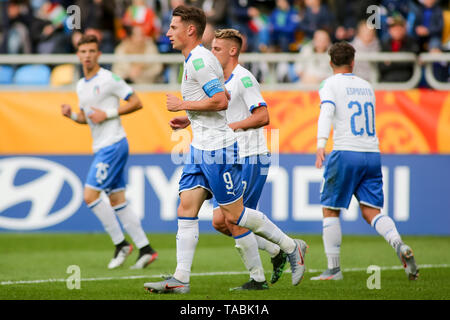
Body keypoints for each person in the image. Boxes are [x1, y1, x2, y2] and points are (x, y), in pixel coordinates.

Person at [143, 5, 307, 294]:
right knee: (186, 207)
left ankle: (290, 246)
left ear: (190, 30)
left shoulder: (199, 61)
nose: (167, 32)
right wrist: (190, 117)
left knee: (234, 216)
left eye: (173, 27)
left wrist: (183, 105)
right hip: (199, 148)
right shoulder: (196, 59)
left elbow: (220, 100)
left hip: (220, 150)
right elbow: (225, 96)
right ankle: (181, 279)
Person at [167, 28, 288, 291]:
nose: (213, 53)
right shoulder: (221, 78)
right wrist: (188, 120)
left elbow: (263, 116)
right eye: (212, 48)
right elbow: (218, 109)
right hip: (227, 152)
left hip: (251, 155)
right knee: (220, 221)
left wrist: (231, 127)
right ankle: (277, 251)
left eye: (218, 49)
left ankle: (278, 258)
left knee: (232, 218)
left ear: (233, 51)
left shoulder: (244, 79)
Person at [311, 41, 419, 281]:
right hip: (371, 153)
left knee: (330, 210)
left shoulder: (329, 84)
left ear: (330, 63)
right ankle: (398, 243)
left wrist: (320, 143)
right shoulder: (367, 86)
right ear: (353, 62)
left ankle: (334, 269)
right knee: (371, 210)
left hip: (345, 151)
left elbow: (327, 111)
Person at [60, 34, 158, 270]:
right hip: (102, 145)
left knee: (90, 196)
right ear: (78, 55)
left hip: (113, 144)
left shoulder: (109, 79)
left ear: (98, 54)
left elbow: (137, 102)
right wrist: (72, 115)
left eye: (92, 51)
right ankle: (146, 249)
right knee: (117, 200)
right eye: (83, 52)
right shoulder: (81, 85)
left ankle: (121, 244)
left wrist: (109, 114)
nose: (87, 56)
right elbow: (87, 118)